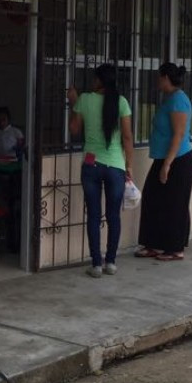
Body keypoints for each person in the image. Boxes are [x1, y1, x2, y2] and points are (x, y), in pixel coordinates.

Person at [68, 64, 134, 278]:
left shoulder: (85, 99)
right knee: (113, 215)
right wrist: (129, 166)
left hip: (91, 165)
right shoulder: (122, 102)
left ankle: (96, 264)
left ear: (98, 80)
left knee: (94, 215)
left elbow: (74, 130)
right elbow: (127, 137)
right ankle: (111, 262)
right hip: (116, 166)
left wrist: (73, 102)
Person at [136, 63, 192, 262]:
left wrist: (167, 164)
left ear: (166, 78)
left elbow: (178, 135)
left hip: (178, 159)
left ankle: (175, 248)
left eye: (159, 77)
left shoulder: (178, 100)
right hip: (164, 158)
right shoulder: (169, 99)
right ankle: (152, 243)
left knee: (175, 203)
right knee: (152, 197)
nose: (157, 81)